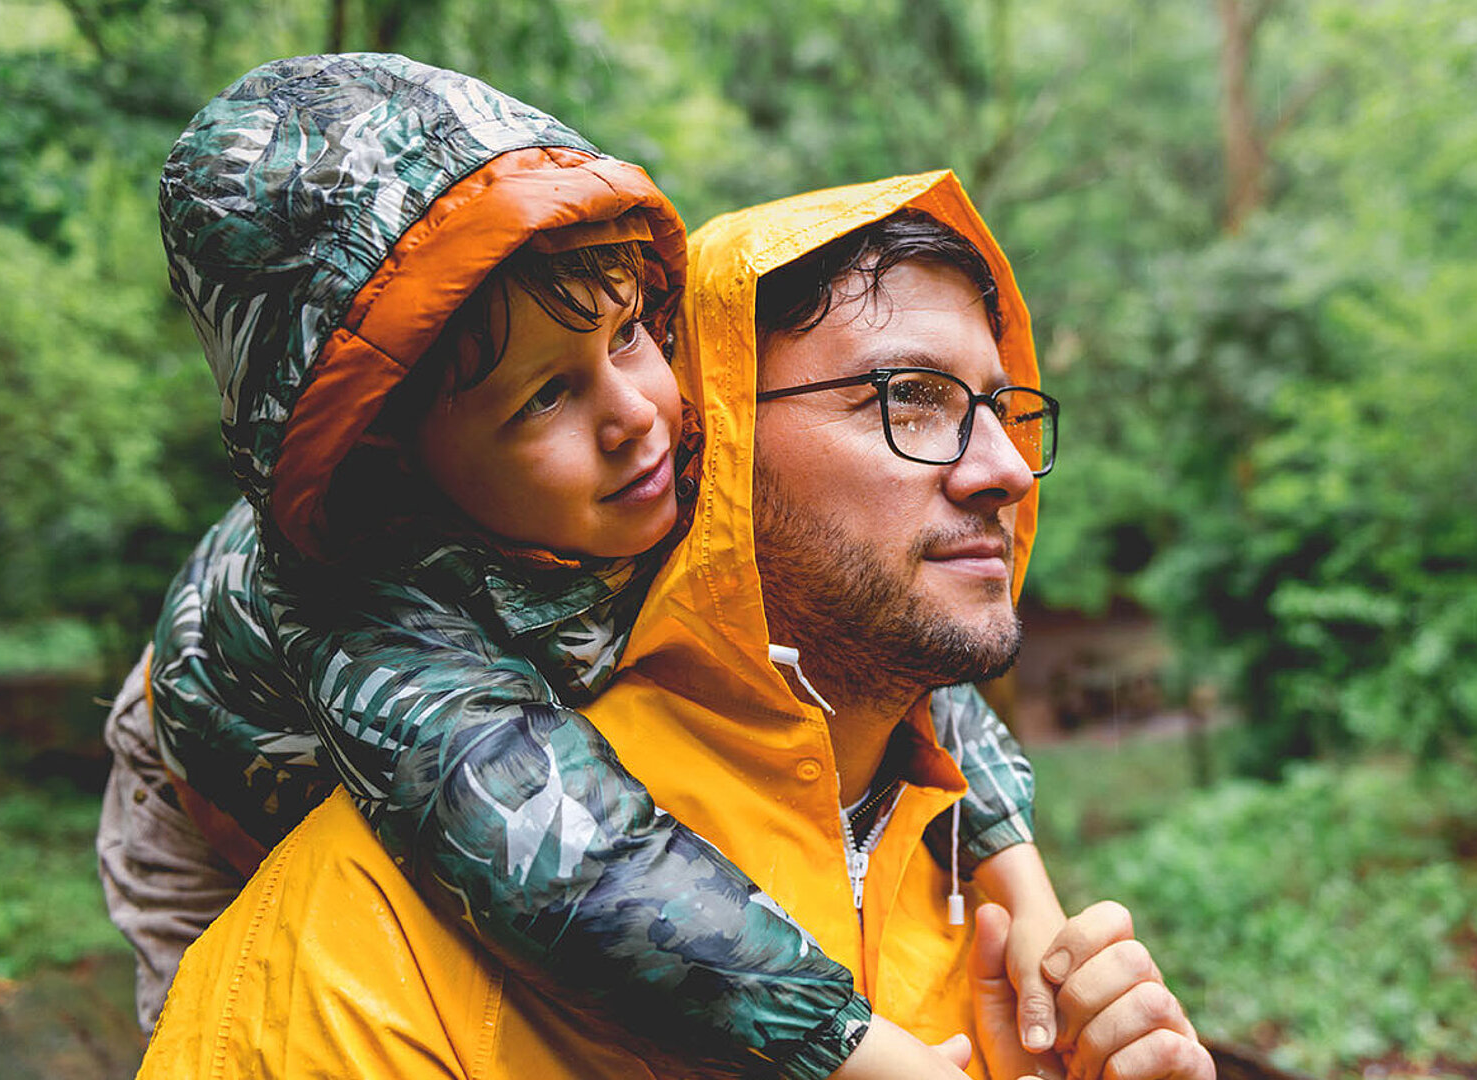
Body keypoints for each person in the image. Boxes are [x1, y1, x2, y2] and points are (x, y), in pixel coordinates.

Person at [95, 52, 1062, 1080]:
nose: (636, 414)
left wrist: (1021, 881)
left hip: (520, 676)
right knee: (261, 1014)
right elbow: (560, 855)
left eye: (632, 333)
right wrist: (853, 1050)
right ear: (393, 451)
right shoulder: (372, 608)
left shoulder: (642, 461)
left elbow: (891, 640)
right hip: (221, 791)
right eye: (544, 396)